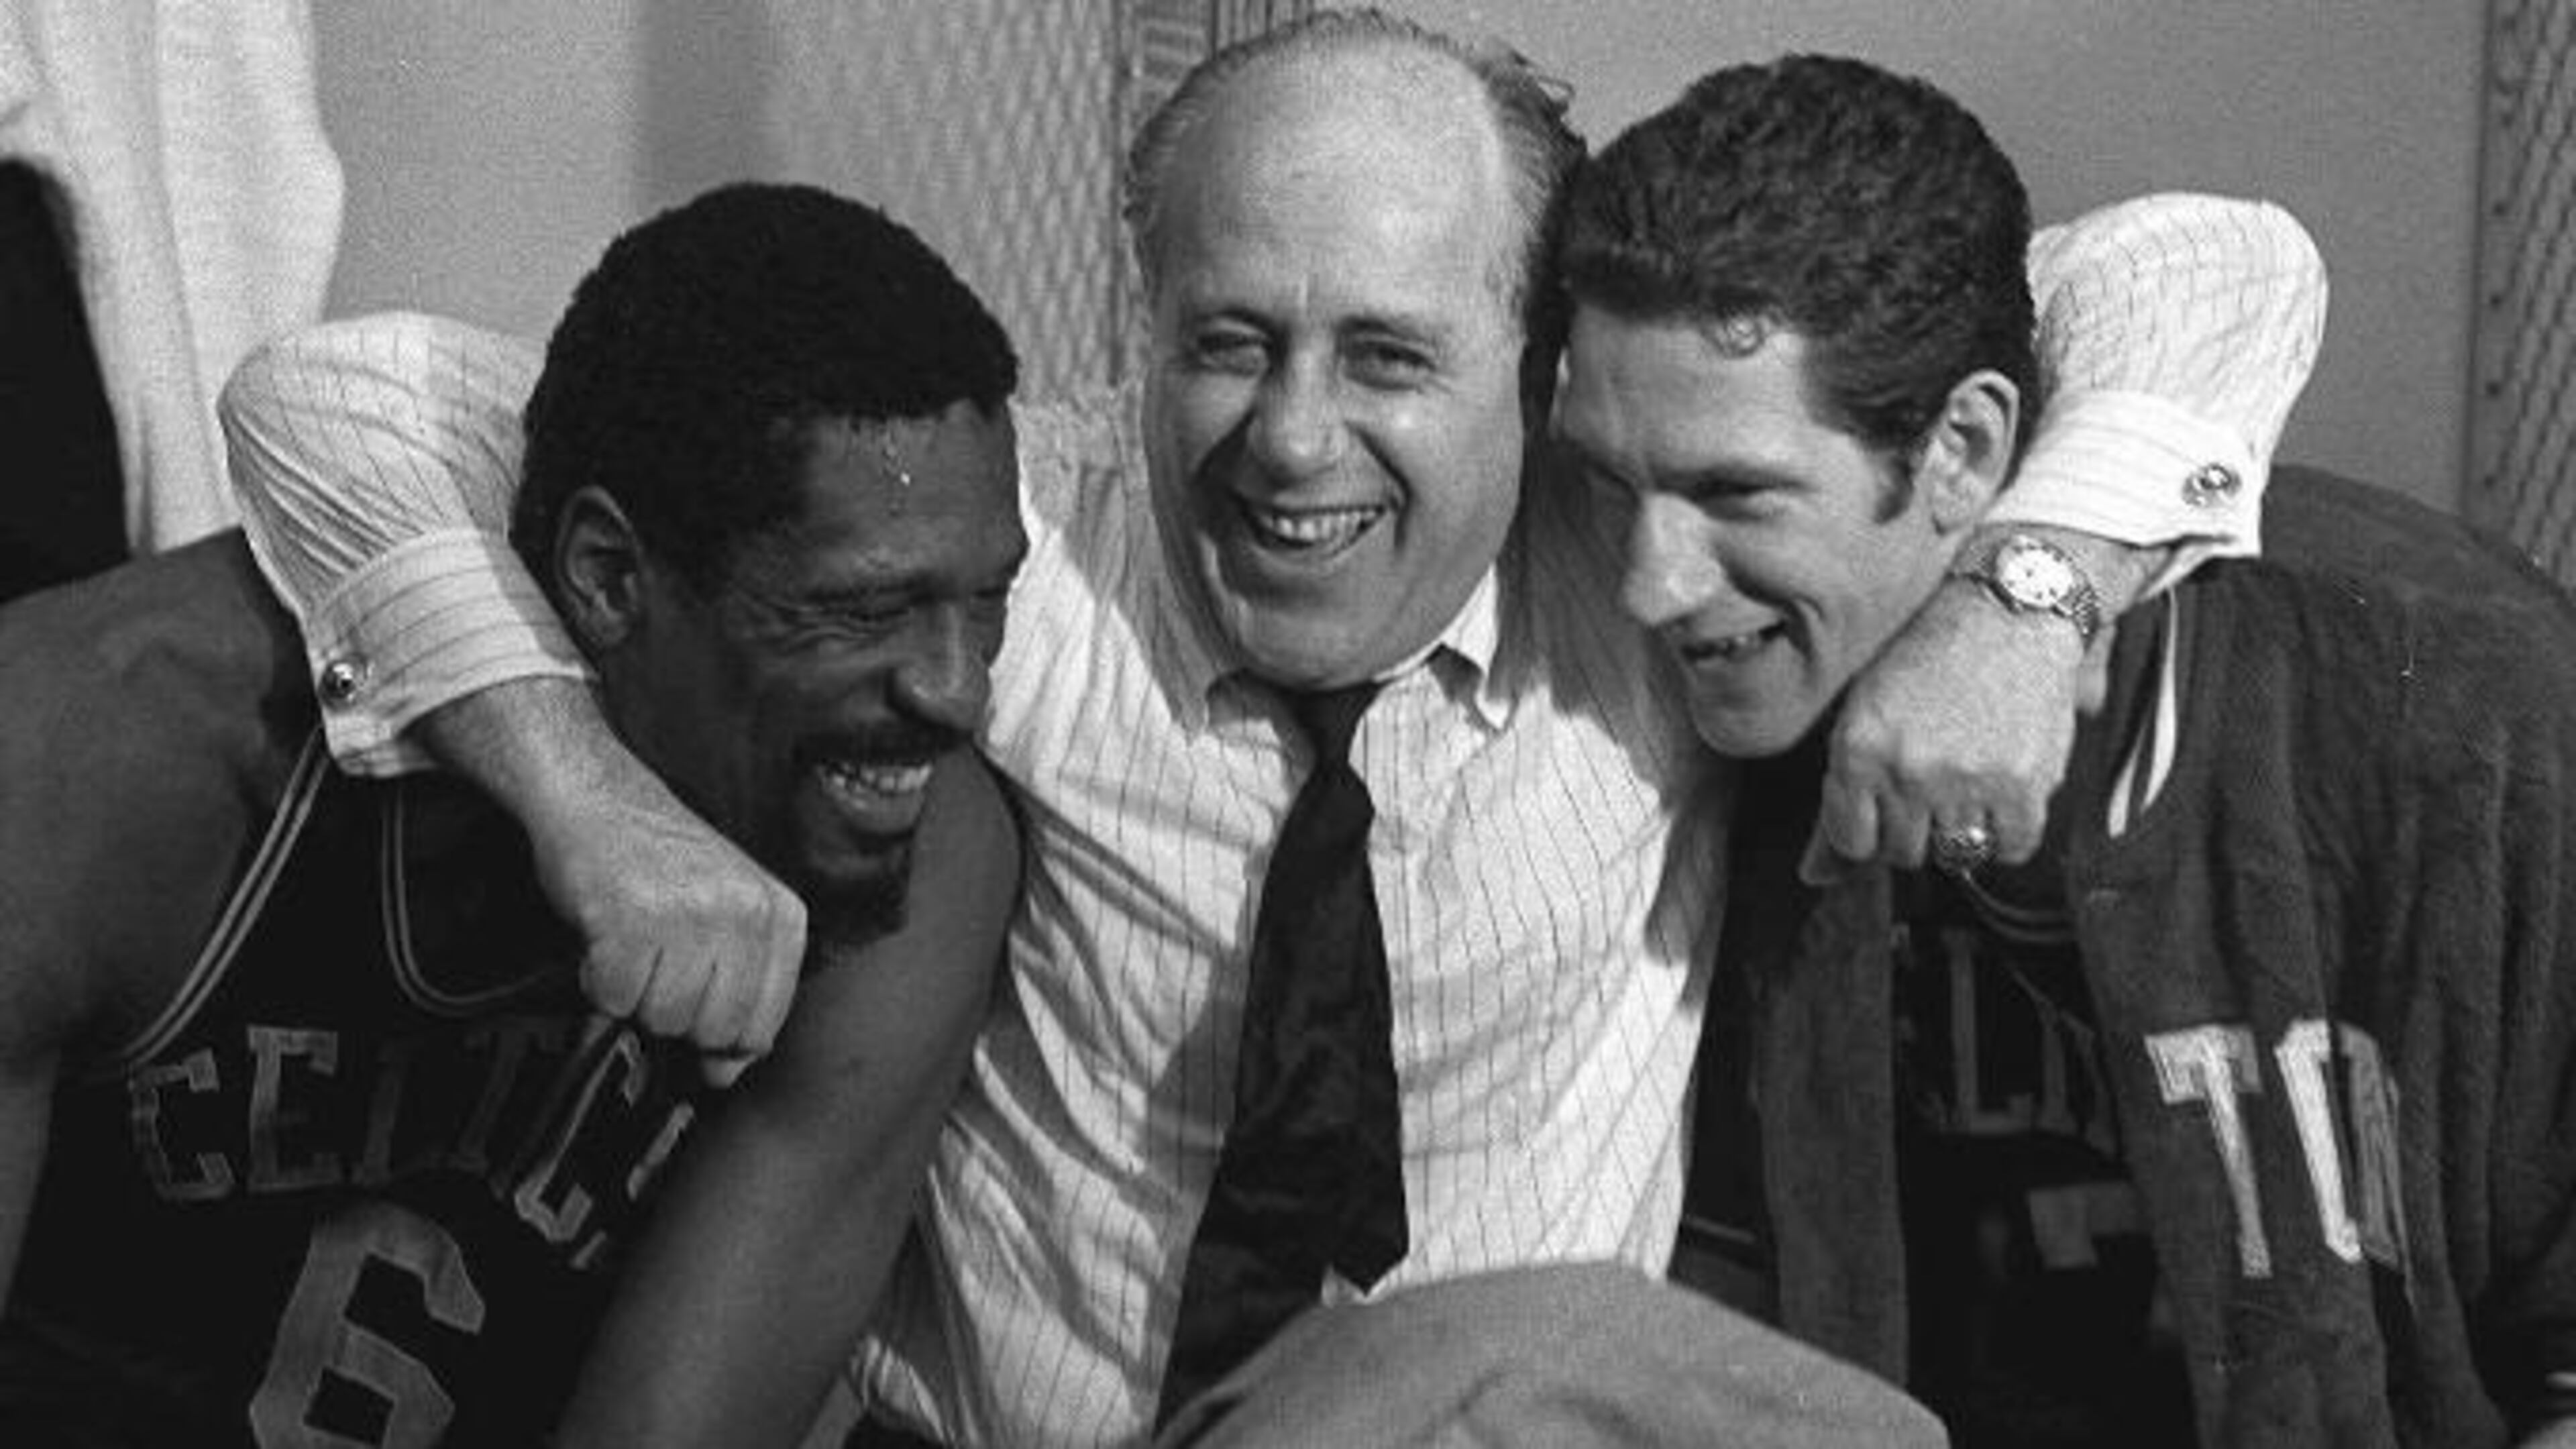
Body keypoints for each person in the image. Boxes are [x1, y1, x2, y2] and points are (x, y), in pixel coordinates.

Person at [218, 13, 2326, 1445]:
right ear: (1140, 329)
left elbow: (2213, 264)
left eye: (1392, 355)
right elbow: (343, 401)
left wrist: (2017, 599)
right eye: (1231, 341)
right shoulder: (1015, 548)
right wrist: (584, 798)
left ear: (1535, 359)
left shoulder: (1645, 574)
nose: (1292, 438)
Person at [1554, 52, 2576, 1449]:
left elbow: (2223, 259)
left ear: (1968, 447)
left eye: (1738, 493)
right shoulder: (1714, 719)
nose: (1648, 585)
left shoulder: (2477, 711)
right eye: (1610, 487)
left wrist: (2020, 596)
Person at [0, 182, 1022, 1446]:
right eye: (864, 612)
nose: (955, 691)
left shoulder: (912, 845)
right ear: (605, 577)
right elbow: (339, 390)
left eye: (988, 604)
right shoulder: (103, 753)